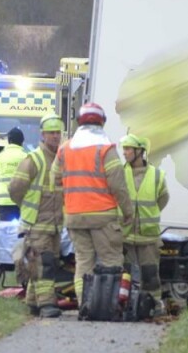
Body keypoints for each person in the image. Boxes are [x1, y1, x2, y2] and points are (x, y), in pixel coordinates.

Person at [53, 102, 133, 306]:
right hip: (103, 217)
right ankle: (109, 305)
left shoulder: (64, 149)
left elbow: (55, 180)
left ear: (79, 122)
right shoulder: (106, 149)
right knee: (111, 261)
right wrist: (128, 211)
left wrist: (68, 203)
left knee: (83, 263)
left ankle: (84, 305)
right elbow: (118, 185)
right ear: (102, 122)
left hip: (74, 216)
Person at [9, 114, 65, 318]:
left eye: (58, 132)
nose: (55, 137)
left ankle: (32, 302)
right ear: (42, 135)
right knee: (45, 263)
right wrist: (26, 207)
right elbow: (15, 188)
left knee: (38, 263)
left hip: (56, 224)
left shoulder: (61, 160)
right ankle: (47, 304)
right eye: (51, 133)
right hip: (37, 224)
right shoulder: (34, 159)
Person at [120, 133, 169, 314]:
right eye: (123, 148)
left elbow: (163, 198)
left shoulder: (156, 175)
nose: (124, 152)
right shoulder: (119, 173)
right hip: (125, 234)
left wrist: (149, 215)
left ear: (140, 151)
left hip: (148, 236)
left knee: (150, 274)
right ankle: (126, 305)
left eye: (128, 149)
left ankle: (154, 305)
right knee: (126, 274)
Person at [0, 127, 27, 222]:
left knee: (4, 231)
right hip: (21, 202)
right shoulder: (26, 157)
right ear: (22, 141)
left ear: (9, 140)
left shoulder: (0, 157)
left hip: (3, 202)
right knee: (21, 232)